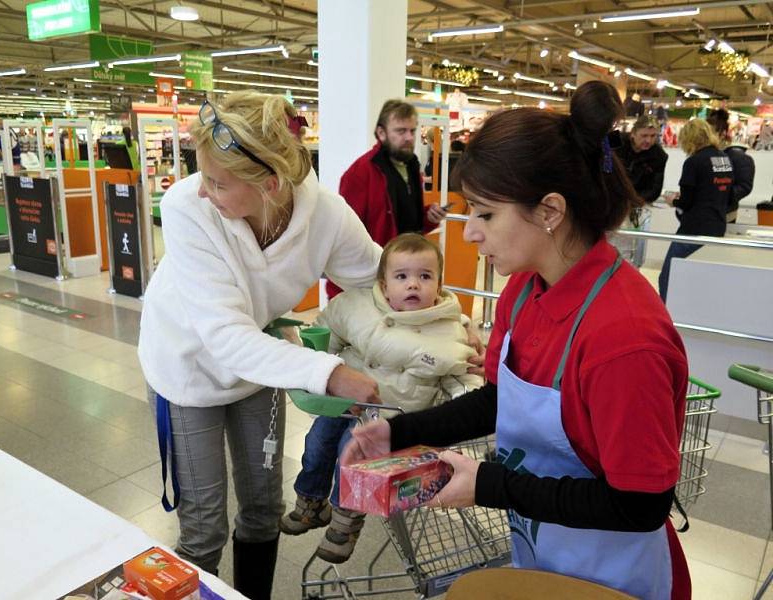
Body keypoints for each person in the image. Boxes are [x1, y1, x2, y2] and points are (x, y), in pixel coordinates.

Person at [342, 81, 692, 600]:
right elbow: (503, 399)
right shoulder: (526, 289)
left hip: (617, 578)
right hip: (545, 555)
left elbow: (639, 505)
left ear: (550, 211)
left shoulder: (624, 338)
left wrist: (488, 485)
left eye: (485, 213)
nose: (469, 233)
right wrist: (401, 433)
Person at [137, 90, 386, 600]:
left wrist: (440, 316)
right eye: (201, 174)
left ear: (270, 184)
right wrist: (332, 373)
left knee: (261, 511)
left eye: (217, 181)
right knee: (204, 526)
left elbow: (380, 275)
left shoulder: (326, 216)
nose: (203, 191)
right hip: (186, 371)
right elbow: (225, 336)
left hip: (259, 366)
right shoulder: (186, 207)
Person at [279, 233, 483, 563]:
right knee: (316, 441)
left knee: (352, 454)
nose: (413, 285)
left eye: (425, 277)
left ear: (440, 286)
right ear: (384, 285)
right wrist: (319, 371)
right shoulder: (357, 308)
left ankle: (345, 521)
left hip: (392, 421)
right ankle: (310, 502)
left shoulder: (451, 333)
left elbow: (464, 379)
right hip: (344, 404)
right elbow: (326, 334)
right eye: (402, 277)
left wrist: (464, 409)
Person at [329, 99, 449, 297]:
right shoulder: (360, 173)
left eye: (412, 130)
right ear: (381, 133)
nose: (409, 137)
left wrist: (429, 217)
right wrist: (343, 293)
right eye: (401, 131)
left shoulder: (411, 168)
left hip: (405, 275)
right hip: (370, 282)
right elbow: (345, 235)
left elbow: (408, 221)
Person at [659, 119, 732, 303]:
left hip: (693, 231)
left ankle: (667, 321)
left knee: (668, 278)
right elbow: (729, 197)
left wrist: (673, 200)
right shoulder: (724, 159)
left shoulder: (694, 162)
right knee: (701, 282)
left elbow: (686, 202)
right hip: (717, 229)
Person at [613, 114, 668, 267]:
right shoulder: (614, 139)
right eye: (644, 135)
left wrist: (632, 201)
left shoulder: (659, 156)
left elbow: (655, 190)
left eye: (653, 136)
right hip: (607, 200)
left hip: (633, 208)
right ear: (633, 133)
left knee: (625, 249)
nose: (648, 140)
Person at [706, 109, 755, 223]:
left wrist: (721, 194)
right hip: (705, 212)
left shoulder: (734, 156)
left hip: (725, 213)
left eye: (710, 134)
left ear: (722, 133)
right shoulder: (707, 153)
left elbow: (744, 186)